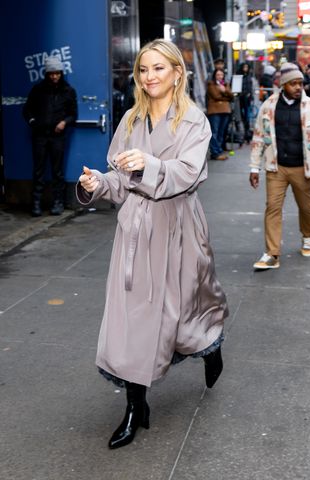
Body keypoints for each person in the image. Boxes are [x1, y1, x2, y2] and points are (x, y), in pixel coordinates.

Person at [77, 39, 228, 449]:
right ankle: (135, 406)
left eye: (159, 68)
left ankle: (209, 344)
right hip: (135, 232)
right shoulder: (130, 120)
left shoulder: (193, 120)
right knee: (133, 319)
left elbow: (189, 173)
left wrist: (150, 163)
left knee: (186, 308)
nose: (150, 77)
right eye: (143, 70)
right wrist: (96, 184)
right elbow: (120, 183)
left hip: (178, 225)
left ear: (177, 72)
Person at [250, 62, 310, 270]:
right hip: (276, 167)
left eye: (301, 83)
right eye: (294, 84)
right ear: (283, 85)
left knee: (306, 207)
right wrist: (254, 168)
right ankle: (272, 254)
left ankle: (307, 237)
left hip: (302, 168)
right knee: (272, 208)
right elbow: (258, 137)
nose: (299, 87)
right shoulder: (268, 106)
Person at [23, 56, 78, 216]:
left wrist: (64, 122)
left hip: (57, 137)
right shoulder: (37, 90)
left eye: (57, 73)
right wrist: (33, 122)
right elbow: (26, 111)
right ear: (46, 73)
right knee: (38, 171)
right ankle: (36, 204)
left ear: (61, 73)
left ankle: (58, 203)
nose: (54, 76)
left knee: (57, 171)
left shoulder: (68, 91)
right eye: (51, 73)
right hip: (39, 136)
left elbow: (73, 114)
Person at [206, 68, 233, 160]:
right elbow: (215, 96)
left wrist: (224, 91)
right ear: (214, 75)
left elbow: (231, 97)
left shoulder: (225, 84)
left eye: (221, 75)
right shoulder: (211, 84)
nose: (220, 76)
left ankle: (219, 151)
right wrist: (225, 94)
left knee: (221, 132)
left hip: (225, 110)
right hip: (214, 111)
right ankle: (215, 152)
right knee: (214, 132)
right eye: (218, 75)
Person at [237, 62, 253, 143]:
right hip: (240, 98)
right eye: (244, 67)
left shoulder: (249, 76)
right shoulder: (239, 76)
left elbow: (250, 87)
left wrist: (250, 95)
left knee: (247, 116)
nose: (245, 68)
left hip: (247, 98)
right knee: (240, 115)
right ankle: (242, 133)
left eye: (247, 67)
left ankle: (247, 133)